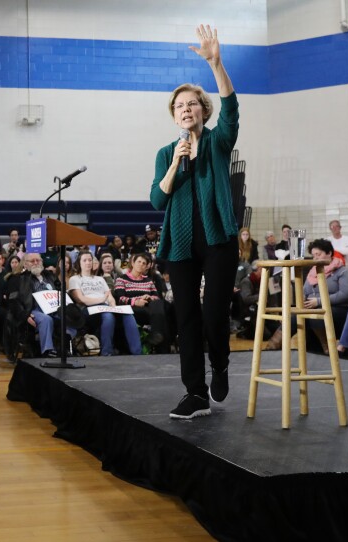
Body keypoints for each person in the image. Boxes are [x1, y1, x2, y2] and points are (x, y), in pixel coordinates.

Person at [149, 24, 239, 419]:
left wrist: (216, 63)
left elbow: (233, 110)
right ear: (174, 116)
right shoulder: (168, 152)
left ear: (204, 109)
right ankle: (195, 393)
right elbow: (157, 199)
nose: (186, 109)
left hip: (218, 240)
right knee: (186, 318)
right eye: (180, 106)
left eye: (192, 104)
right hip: (181, 246)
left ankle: (220, 364)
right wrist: (174, 164)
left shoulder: (219, 141)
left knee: (214, 314)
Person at [69, 252, 142, 356]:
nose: (88, 263)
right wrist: (102, 299)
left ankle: (137, 352)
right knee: (108, 316)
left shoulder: (100, 279)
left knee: (128, 314)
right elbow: (82, 299)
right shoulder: (75, 279)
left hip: (106, 307)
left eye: (90, 260)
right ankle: (107, 352)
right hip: (88, 309)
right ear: (79, 263)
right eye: (84, 260)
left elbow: (110, 298)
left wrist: (112, 305)